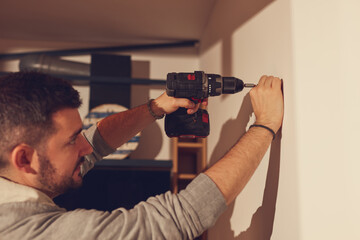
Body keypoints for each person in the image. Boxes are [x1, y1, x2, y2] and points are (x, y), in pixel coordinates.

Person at [0, 71, 283, 239]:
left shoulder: (20, 181)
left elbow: (94, 142)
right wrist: (264, 125)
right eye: (72, 141)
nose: (84, 149)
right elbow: (175, 221)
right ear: (24, 159)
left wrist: (157, 106)